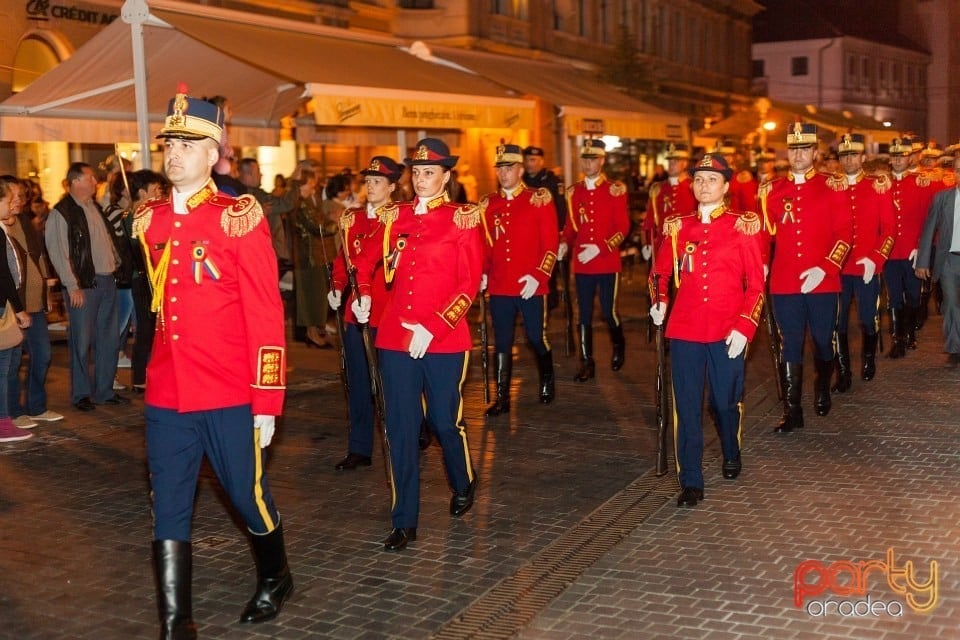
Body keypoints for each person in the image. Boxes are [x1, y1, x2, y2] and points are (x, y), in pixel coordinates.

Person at [133, 86, 293, 637]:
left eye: (188, 142)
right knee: (169, 502)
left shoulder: (239, 218)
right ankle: (177, 622)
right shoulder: (149, 222)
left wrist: (267, 399)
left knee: (246, 495)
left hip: (228, 391)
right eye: (170, 142)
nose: (174, 152)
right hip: (167, 393)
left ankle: (276, 573)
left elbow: (266, 314)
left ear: (213, 153)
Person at [351, 137, 482, 552]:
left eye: (430, 173)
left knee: (445, 422)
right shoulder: (394, 216)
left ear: (446, 176)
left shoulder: (462, 219)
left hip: (444, 341)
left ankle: (463, 481)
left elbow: (468, 285)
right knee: (400, 430)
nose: (422, 180)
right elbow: (362, 257)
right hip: (395, 338)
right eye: (418, 172)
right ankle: (404, 519)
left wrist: (435, 326)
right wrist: (363, 293)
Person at [649, 154, 764, 507]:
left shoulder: (742, 226)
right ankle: (691, 480)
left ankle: (731, 447)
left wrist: (745, 326)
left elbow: (756, 286)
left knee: (724, 401)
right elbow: (659, 273)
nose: (704, 185)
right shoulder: (676, 227)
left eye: (712, 180)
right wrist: (660, 299)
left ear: (726, 186)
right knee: (686, 406)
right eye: (699, 179)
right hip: (685, 329)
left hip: (728, 329)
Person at [758, 123, 852, 433]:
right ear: (788, 153)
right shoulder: (771, 190)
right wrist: (761, 264)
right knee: (791, 343)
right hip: (785, 281)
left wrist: (825, 267)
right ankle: (792, 409)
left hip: (822, 280)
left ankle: (823, 383)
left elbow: (845, 236)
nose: (798, 154)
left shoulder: (833, 186)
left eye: (804, 149)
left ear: (814, 153)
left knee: (823, 341)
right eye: (793, 149)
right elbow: (762, 236)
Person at [327, 155, 403, 470]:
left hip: (388, 314)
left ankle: (408, 433)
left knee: (394, 383)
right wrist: (335, 286)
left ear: (392, 186)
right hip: (354, 316)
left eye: (377, 182)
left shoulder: (401, 220)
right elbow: (344, 261)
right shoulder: (352, 219)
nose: (370, 187)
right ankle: (360, 447)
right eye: (367, 181)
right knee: (357, 382)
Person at [479, 143, 559, 415]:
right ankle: (502, 397)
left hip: (531, 286)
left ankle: (547, 379)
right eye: (500, 168)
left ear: (521, 170)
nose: (503, 173)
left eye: (509, 167)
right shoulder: (488, 204)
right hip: (501, 284)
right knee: (501, 340)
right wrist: (482, 273)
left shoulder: (539, 199)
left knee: (535, 337)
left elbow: (551, 243)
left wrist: (539, 276)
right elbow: (486, 246)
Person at [45, 162, 128, 411]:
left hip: (106, 280)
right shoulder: (62, 212)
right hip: (84, 284)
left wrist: (117, 264)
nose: (95, 182)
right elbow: (57, 251)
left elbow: (108, 242)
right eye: (91, 178)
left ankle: (104, 390)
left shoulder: (96, 208)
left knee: (109, 339)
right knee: (81, 341)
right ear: (77, 181)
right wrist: (72, 285)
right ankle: (81, 393)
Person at [559, 138, 631, 381]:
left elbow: (623, 228)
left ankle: (619, 345)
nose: (588, 163)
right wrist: (563, 243)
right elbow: (570, 227)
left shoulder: (614, 190)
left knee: (609, 312)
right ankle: (586, 361)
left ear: (601, 160)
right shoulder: (573, 192)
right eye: (585, 159)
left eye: (593, 159)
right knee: (584, 313)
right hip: (582, 264)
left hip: (607, 262)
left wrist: (600, 248)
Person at [833, 133, 896, 390]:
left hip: (866, 267)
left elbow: (889, 230)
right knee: (837, 322)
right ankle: (844, 372)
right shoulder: (831, 187)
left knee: (868, 319)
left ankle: (869, 360)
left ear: (863, 157)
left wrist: (876, 259)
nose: (849, 160)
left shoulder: (876, 186)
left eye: (853, 155)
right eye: (844, 155)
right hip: (836, 268)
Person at [0, 176, 62, 426]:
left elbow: (37, 257)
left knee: (43, 355)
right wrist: (17, 306)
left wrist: (45, 287)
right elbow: (6, 272)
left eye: (20, 195)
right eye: (13, 196)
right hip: (14, 305)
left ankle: (36, 406)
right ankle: (13, 412)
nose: (18, 200)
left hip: (34, 303)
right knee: (11, 361)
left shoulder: (25, 222)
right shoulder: (3, 227)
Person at [886, 137, 937, 357]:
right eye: (895, 156)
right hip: (889, 252)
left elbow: (930, 219)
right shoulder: (882, 184)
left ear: (910, 158)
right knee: (894, 296)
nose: (898, 160)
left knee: (914, 295)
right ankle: (899, 339)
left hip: (912, 251)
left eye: (902, 156)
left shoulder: (921, 182)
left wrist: (922, 248)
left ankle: (911, 334)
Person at [915, 154, 960, 367]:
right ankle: (954, 348)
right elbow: (929, 230)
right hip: (949, 261)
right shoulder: (942, 198)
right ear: (955, 173)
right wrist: (923, 262)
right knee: (951, 304)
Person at [124, 169, 166, 392]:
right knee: (145, 329)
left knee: (155, 327)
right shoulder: (134, 217)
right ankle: (140, 378)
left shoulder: (151, 214)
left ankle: (151, 374)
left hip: (153, 277)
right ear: (142, 192)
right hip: (141, 279)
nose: (159, 194)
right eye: (154, 190)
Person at [0, 179, 35, 442]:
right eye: (7, 200)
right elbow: (4, 275)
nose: (13, 205)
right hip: (4, 305)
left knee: (8, 365)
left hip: (6, 304)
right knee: (4, 367)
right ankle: (3, 423)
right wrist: (19, 309)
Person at [291, 170, 336, 348]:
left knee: (317, 296)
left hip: (315, 256)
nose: (313, 186)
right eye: (310, 183)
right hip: (307, 257)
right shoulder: (301, 205)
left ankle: (315, 332)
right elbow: (317, 227)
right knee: (310, 297)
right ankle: (311, 333)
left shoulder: (307, 203)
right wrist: (335, 224)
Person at [522, 146, 566, 310]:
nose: (529, 164)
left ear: (541, 161)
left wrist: (560, 234)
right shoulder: (521, 180)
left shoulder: (552, 181)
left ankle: (549, 305)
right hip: (526, 237)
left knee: (548, 272)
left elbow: (560, 208)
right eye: (526, 160)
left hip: (547, 234)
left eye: (533, 160)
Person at [641, 142, 696, 259]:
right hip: (661, 246)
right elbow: (650, 219)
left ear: (684, 163)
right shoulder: (658, 188)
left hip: (687, 248)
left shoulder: (694, 188)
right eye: (669, 161)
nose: (671, 165)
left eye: (675, 162)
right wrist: (647, 243)